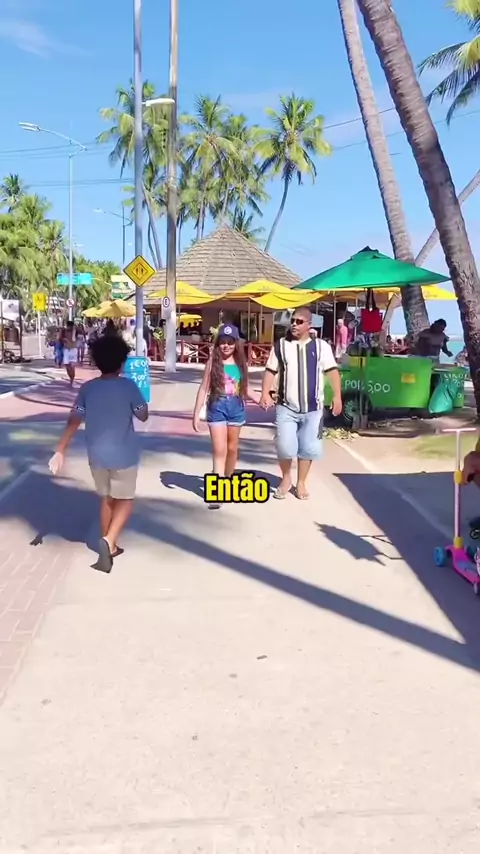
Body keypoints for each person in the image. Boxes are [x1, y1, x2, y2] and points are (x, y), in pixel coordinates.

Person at [48, 335, 149, 573]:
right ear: (122, 362)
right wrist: (139, 402)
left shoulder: (88, 388)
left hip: (96, 456)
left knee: (106, 499)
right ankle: (109, 539)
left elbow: (74, 418)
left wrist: (60, 450)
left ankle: (109, 546)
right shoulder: (129, 387)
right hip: (124, 455)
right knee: (125, 500)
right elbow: (143, 414)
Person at [260, 307, 342, 500]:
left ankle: (301, 482)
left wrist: (337, 396)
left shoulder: (321, 347)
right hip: (286, 407)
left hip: (313, 409)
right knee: (284, 446)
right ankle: (286, 479)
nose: (294, 325)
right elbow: (270, 370)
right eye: (293, 321)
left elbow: (332, 371)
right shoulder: (281, 345)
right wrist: (264, 393)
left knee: (308, 447)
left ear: (309, 325)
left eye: (299, 321)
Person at [192, 323, 259, 478]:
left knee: (232, 448)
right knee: (219, 449)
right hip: (217, 406)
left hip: (236, 408)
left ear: (236, 344)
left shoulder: (241, 364)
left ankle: (228, 477)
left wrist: (260, 400)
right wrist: (196, 414)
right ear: (218, 344)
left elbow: (246, 388)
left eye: (230, 342)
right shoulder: (212, 363)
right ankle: (218, 482)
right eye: (223, 342)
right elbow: (203, 389)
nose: (226, 346)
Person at [62, 320, 78, 386]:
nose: (69, 327)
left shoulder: (75, 331)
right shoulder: (64, 331)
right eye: (68, 326)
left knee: (72, 365)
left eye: (70, 326)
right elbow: (60, 338)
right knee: (67, 365)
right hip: (67, 350)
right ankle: (71, 378)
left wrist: (75, 328)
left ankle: (72, 379)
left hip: (73, 349)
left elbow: (82, 331)